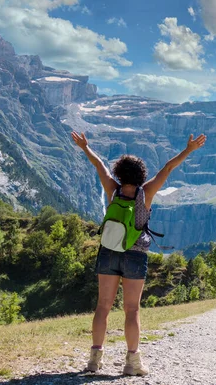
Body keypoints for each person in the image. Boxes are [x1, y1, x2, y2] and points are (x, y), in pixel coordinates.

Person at [71, 130, 206, 376]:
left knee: (102, 307)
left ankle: (94, 360)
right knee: (131, 310)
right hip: (135, 256)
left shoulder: (112, 190)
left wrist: (85, 147)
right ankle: (132, 363)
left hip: (109, 251)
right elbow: (167, 168)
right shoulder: (146, 193)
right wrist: (189, 150)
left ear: (120, 173)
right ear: (141, 174)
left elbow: (99, 165)